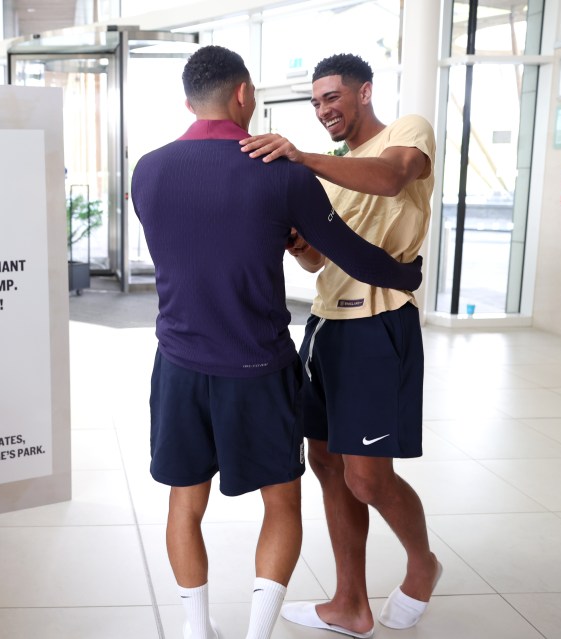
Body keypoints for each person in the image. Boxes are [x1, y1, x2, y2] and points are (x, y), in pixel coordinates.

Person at [130, 46, 423, 639]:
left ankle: (195, 628)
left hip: (179, 364)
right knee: (281, 504)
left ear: (189, 101)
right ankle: (256, 633)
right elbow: (344, 252)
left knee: (185, 505)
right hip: (259, 367)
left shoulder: (147, 170)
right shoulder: (280, 171)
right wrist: (406, 276)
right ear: (244, 95)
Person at [240, 53, 441, 639]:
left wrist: (301, 156)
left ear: (364, 92)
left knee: (368, 478)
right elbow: (320, 261)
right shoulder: (337, 168)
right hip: (327, 325)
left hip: (379, 327)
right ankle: (350, 602)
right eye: (317, 102)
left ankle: (422, 564)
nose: (324, 109)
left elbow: (393, 176)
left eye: (333, 97)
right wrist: (298, 244)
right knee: (326, 463)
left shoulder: (407, 133)